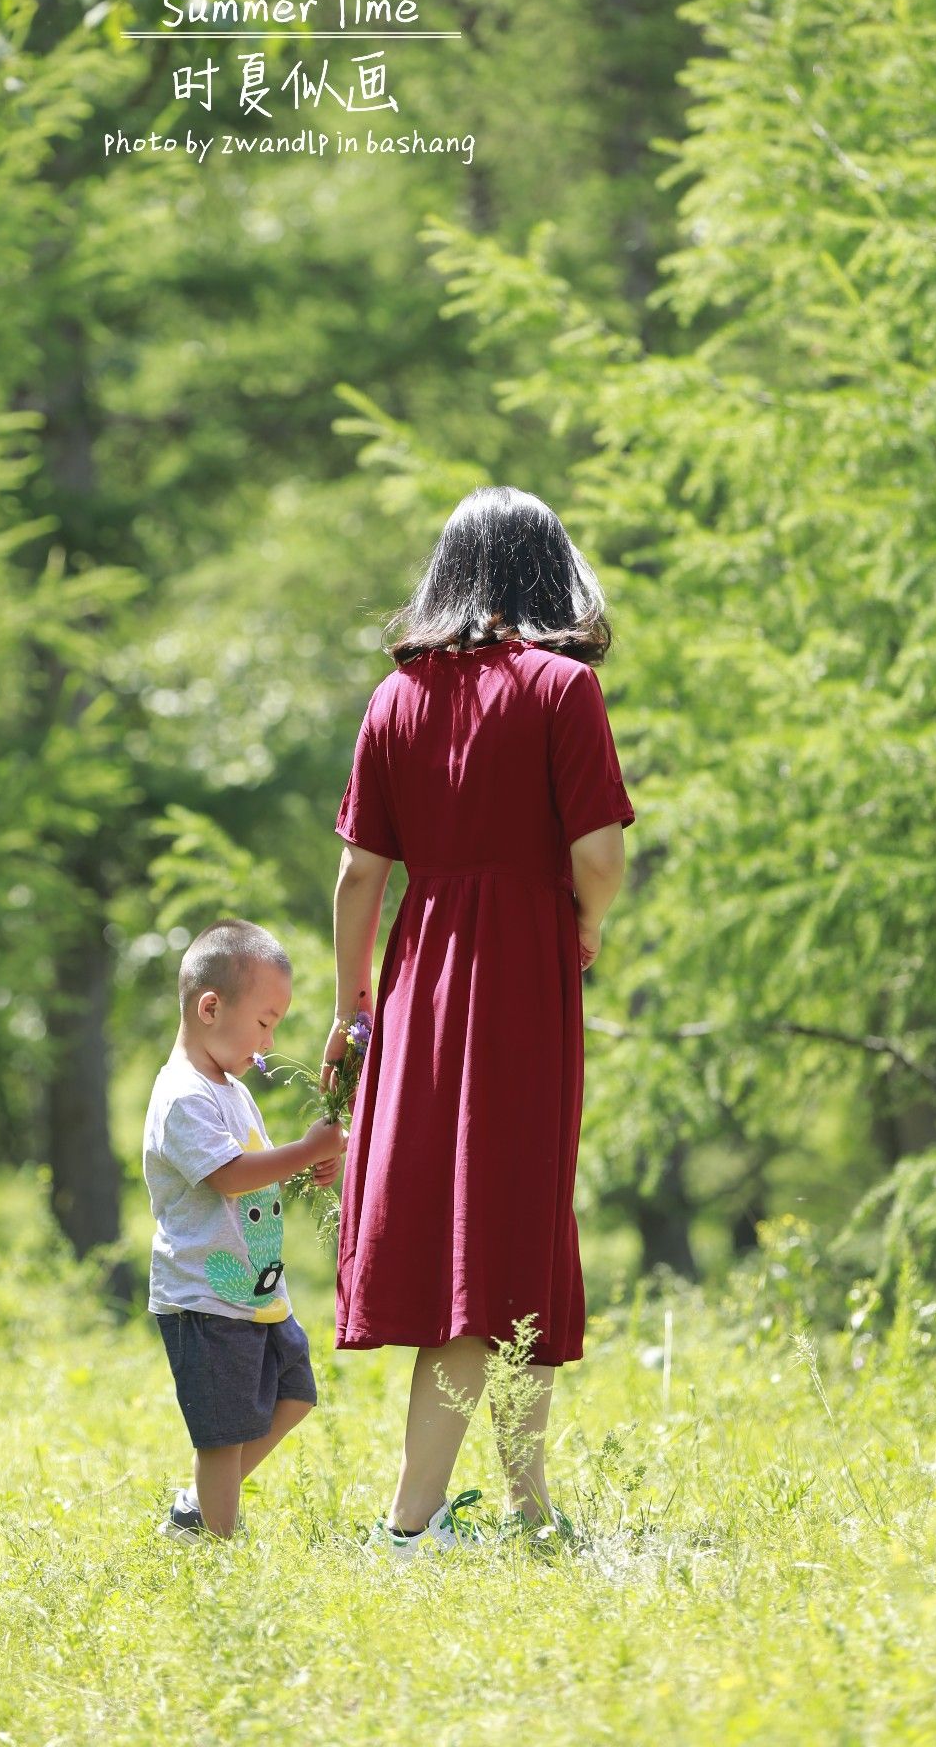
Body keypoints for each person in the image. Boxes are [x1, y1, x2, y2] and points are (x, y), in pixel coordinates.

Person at [326, 486, 636, 1559]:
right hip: (517, 972)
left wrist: (353, 1005)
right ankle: (410, 1525)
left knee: (489, 1238)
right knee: (504, 1230)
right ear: (549, 574)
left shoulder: (394, 698)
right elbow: (600, 852)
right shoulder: (562, 690)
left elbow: (361, 873)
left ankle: (527, 1508)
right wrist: (586, 926)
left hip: (421, 977)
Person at [144, 918, 346, 1540]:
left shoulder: (229, 1088)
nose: (269, 1041)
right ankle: (218, 1546)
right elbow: (229, 1178)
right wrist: (301, 1150)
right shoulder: (184, 1096)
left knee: (296, 1393)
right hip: (204, 1297)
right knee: (222, 1434)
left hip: (254, 1292)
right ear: (211, 1007)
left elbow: (250, 1175)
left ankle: (197, 1507)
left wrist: (303, 1164)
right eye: (265, 1021)